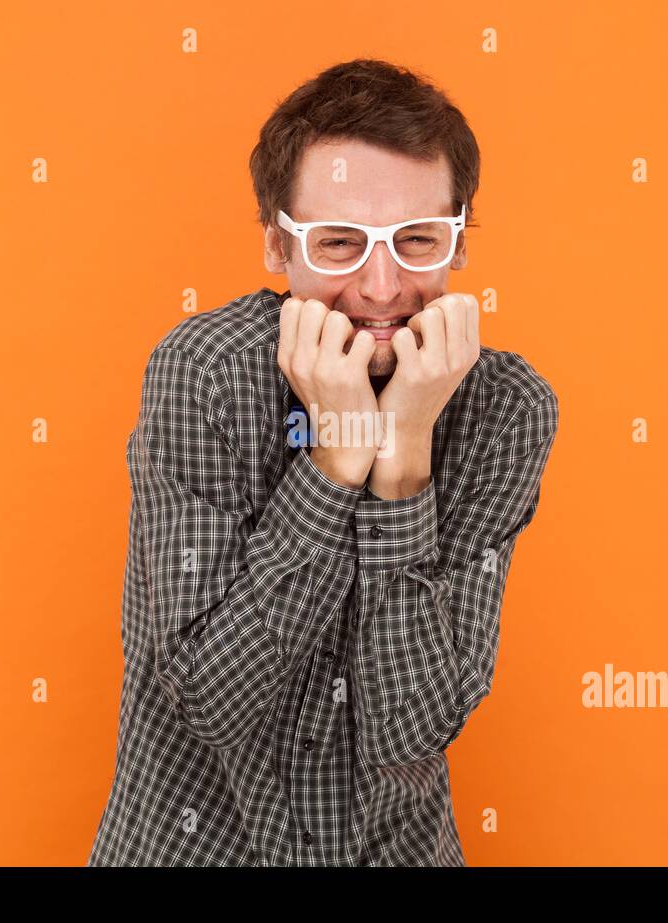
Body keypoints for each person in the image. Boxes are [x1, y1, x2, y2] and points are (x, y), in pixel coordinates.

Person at [88, 58, 558, 866]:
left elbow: (412, 724)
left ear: (460, 238)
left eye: (417, 240)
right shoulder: (205, 375)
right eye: (339, 243)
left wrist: (403, 460)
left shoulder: (504, 409)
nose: (382, 287)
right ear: (278, 242)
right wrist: (335, 460)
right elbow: (209, 698)